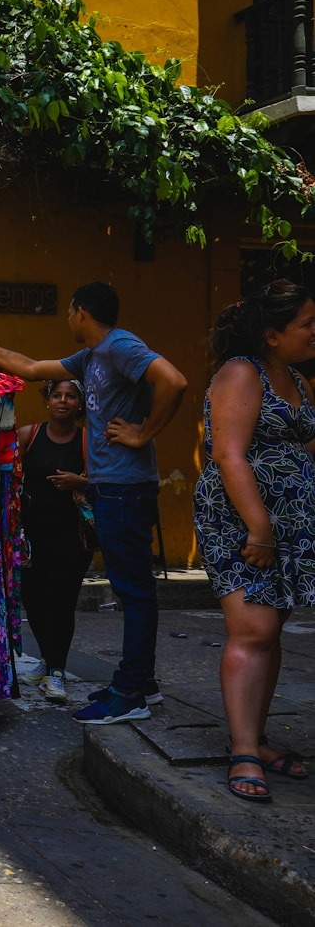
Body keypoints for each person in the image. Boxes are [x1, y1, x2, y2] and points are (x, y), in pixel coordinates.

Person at [0, 280, 188, 725]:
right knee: (130, 589)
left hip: (125, 486)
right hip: (112, 486)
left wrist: (143, 433)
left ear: (80, 311)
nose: (66, 318)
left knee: (135, 593)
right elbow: (28, 366)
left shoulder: (121, 346)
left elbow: (173, 381)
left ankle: (131, 692)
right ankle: (141, 682)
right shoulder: (90, 358)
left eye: (68, 312)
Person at [193, 280, 315, 802]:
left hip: (291, 523)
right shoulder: (243, 373)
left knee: (270, 631)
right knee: (253, 627)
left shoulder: (298, 380)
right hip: (241, 522)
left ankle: (257, 740)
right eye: (307, 323)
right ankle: (244, 750)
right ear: (271, 333)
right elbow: (229, 455)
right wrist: (260, 529)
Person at [16, 380, 93, 704]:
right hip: (31, 534)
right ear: (47, 400)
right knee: (34, 600)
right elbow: (10, 476)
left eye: (70, 396)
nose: (63, 401)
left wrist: (80, 482)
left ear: (79, 404)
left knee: (62, 602)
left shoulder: (87, 439)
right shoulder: (28, 435)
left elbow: (102, 478)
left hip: (71, 536)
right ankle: (49, 660)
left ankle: (57, 671)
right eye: (57, 395)